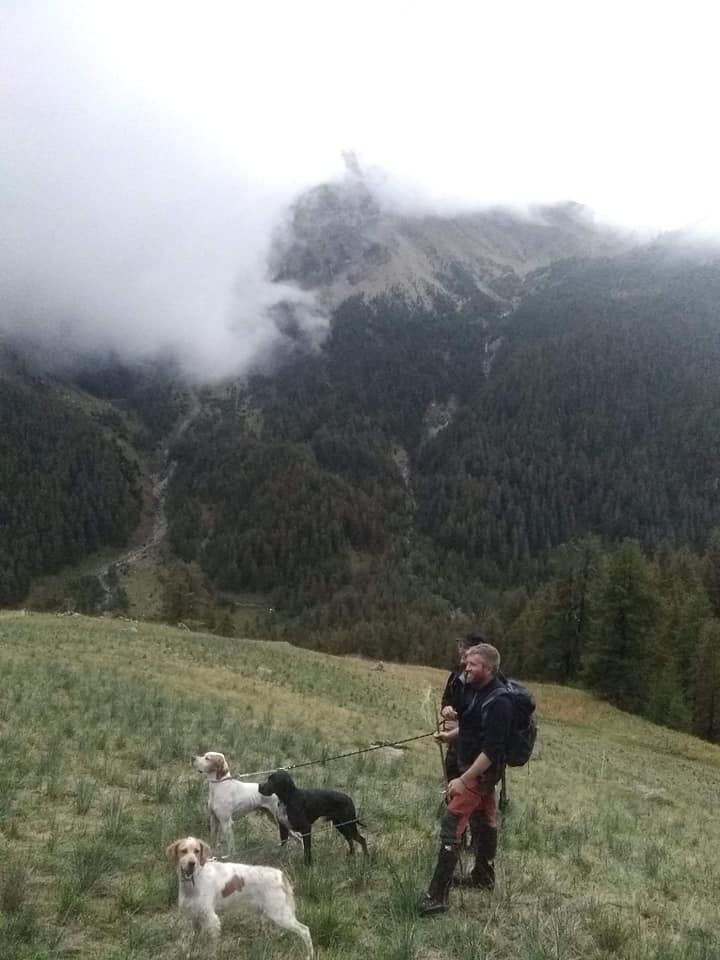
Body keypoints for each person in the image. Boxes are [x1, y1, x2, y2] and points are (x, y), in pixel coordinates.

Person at [418, 642, 511, 917]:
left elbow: (492, 750)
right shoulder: (475, 691)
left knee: (452, 823)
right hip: (471, 767)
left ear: (489, 668)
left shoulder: (500, 701)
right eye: (466, 663)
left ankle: (436, 896)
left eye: (472, 664)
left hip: (479, 771)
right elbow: (472, 727)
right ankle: (483, 877)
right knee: (484, 819)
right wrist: (450, 736)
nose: (466, 668)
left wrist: (463, 779)